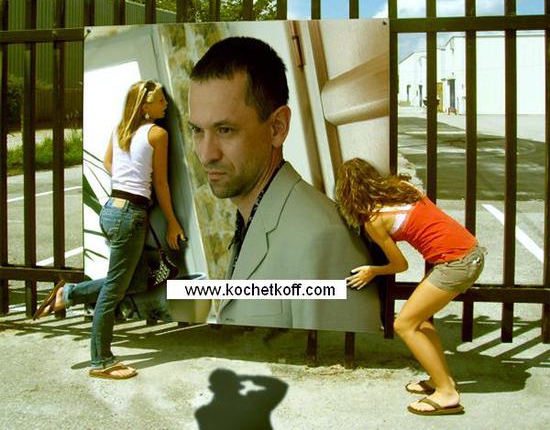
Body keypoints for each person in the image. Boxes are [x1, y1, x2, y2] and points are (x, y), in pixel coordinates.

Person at [187, 36, 380, 332]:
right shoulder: (252, 216)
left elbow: (337, 360)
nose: (206, 154)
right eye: (197, 131)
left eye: (225, 130)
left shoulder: (322, 239)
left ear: (277, 128)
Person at [33, 79, 186, 379]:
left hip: (112, 209)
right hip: (131, 216)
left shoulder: (121, 130)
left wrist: (127, 180)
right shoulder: (158, 134)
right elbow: (161, 183)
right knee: (114, 290)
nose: (166, 104)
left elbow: (107, 162)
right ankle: (101, 360)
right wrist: (172, 220)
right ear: (145, 107)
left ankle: (69, 293)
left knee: (136, 281)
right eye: (160, 100)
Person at [335, 158, 486, 416]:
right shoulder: (404, 189)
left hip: (456, 263)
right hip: (470, 253)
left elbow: (399, 265)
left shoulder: (374, 221)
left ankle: (447, 394)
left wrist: (373, 270)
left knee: (404, 325)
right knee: (420, 321)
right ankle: (441, 380)